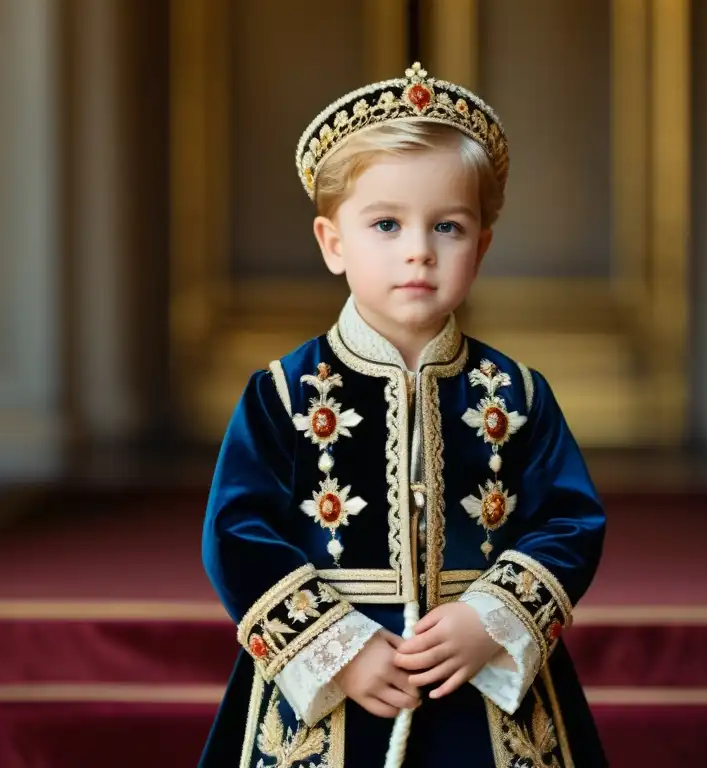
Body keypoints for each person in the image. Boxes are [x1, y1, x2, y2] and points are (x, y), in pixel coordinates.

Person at [199, 61, 608, 768]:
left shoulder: (518, 394)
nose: (419, 249)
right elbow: (237, 534)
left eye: (447, 227)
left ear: (479, 247)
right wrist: (340, 651)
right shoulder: (284, 394)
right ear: (332, 243)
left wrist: (493, 620)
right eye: (385, 223)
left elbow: (570, 522)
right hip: (332, 699)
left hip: (481, 691)